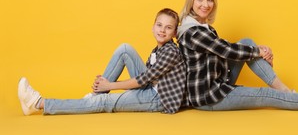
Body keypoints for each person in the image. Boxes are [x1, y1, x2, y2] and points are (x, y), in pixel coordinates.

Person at [18, 8, 187, 115]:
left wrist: (110, 86)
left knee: (104, 102)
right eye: (159, 25)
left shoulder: (171, 51)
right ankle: (94, 97)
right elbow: (145, 79)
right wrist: (106, 85)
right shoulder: (157, 50)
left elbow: (143, 79)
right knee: (125, 49)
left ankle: (38, 103)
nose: (162, 30)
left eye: (168, 27)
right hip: (151, 88)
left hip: (159, 99)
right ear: (152, 27)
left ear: (174, 33)